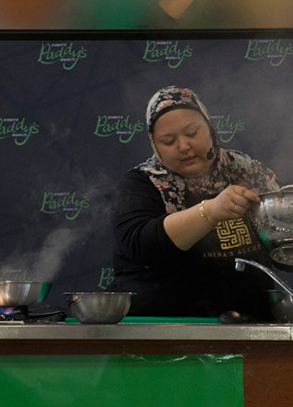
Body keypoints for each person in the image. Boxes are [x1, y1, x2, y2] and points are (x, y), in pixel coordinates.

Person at [112, 85, 282, 319]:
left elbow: (285, 244)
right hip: (165, 326)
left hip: (250, 322)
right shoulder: (142, 182)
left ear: (210, 128)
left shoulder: (246, 170)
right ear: (154, 144)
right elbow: (140, 245)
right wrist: (210, 211)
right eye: (168, 141)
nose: (184, 147)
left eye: (192, 133)